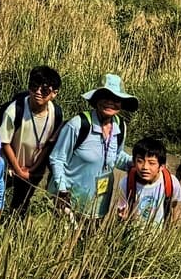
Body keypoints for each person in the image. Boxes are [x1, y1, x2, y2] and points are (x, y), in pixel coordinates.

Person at [49, 73, 137, 218]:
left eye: (116, 99)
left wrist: (140, 163)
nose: (110, 102)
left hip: (98, 208)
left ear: (121, 103)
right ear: (96, 99)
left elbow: (115, 157)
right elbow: (57, 158)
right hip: (68, 204)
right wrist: (61, 191)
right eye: (105, 97)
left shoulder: (120, 127)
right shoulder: (78, 125)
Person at [0, 66, 63, 217]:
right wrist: (18, 170)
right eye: (34, 86)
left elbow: (49, 144)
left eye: (45, 89)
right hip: (9, 166)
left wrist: (33, 169)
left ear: (54, 93)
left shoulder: (56, 113)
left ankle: (12, 232)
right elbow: (4, 142)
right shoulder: (14, 110)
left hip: (34, 168)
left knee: (21, 204)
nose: (38, 92)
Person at [114, 138, 181, 227]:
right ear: (134, 163)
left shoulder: (171, 182)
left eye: (152, 163)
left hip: (158, 235)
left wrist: (172, 230)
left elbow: (175, 208)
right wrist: (122, 216)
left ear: (162, 166)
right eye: (140, 161)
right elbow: (121, 210)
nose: (145, 167)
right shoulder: (126, 183)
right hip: (132, 234)